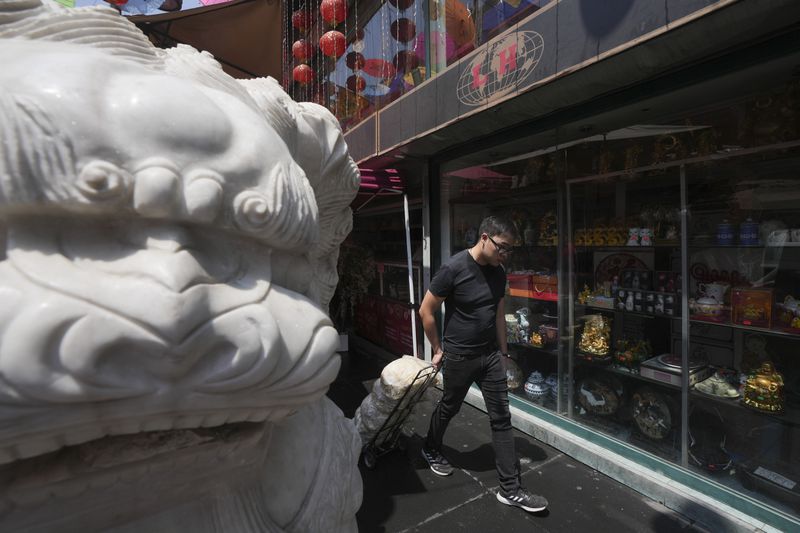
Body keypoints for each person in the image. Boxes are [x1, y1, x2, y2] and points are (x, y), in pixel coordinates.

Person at [418, 215, 548, 513]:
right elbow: (426, 310)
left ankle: (510, 489)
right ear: (485, 238)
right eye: (502, 247)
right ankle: (430, 447)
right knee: (450, 406)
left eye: (510, 250)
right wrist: (438, 348)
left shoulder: (498, 271)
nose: (505, 255)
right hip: (459, 356)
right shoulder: (453, 269)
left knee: (501, 417)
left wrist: (503, 353)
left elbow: (499, 312)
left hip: (490, 356)